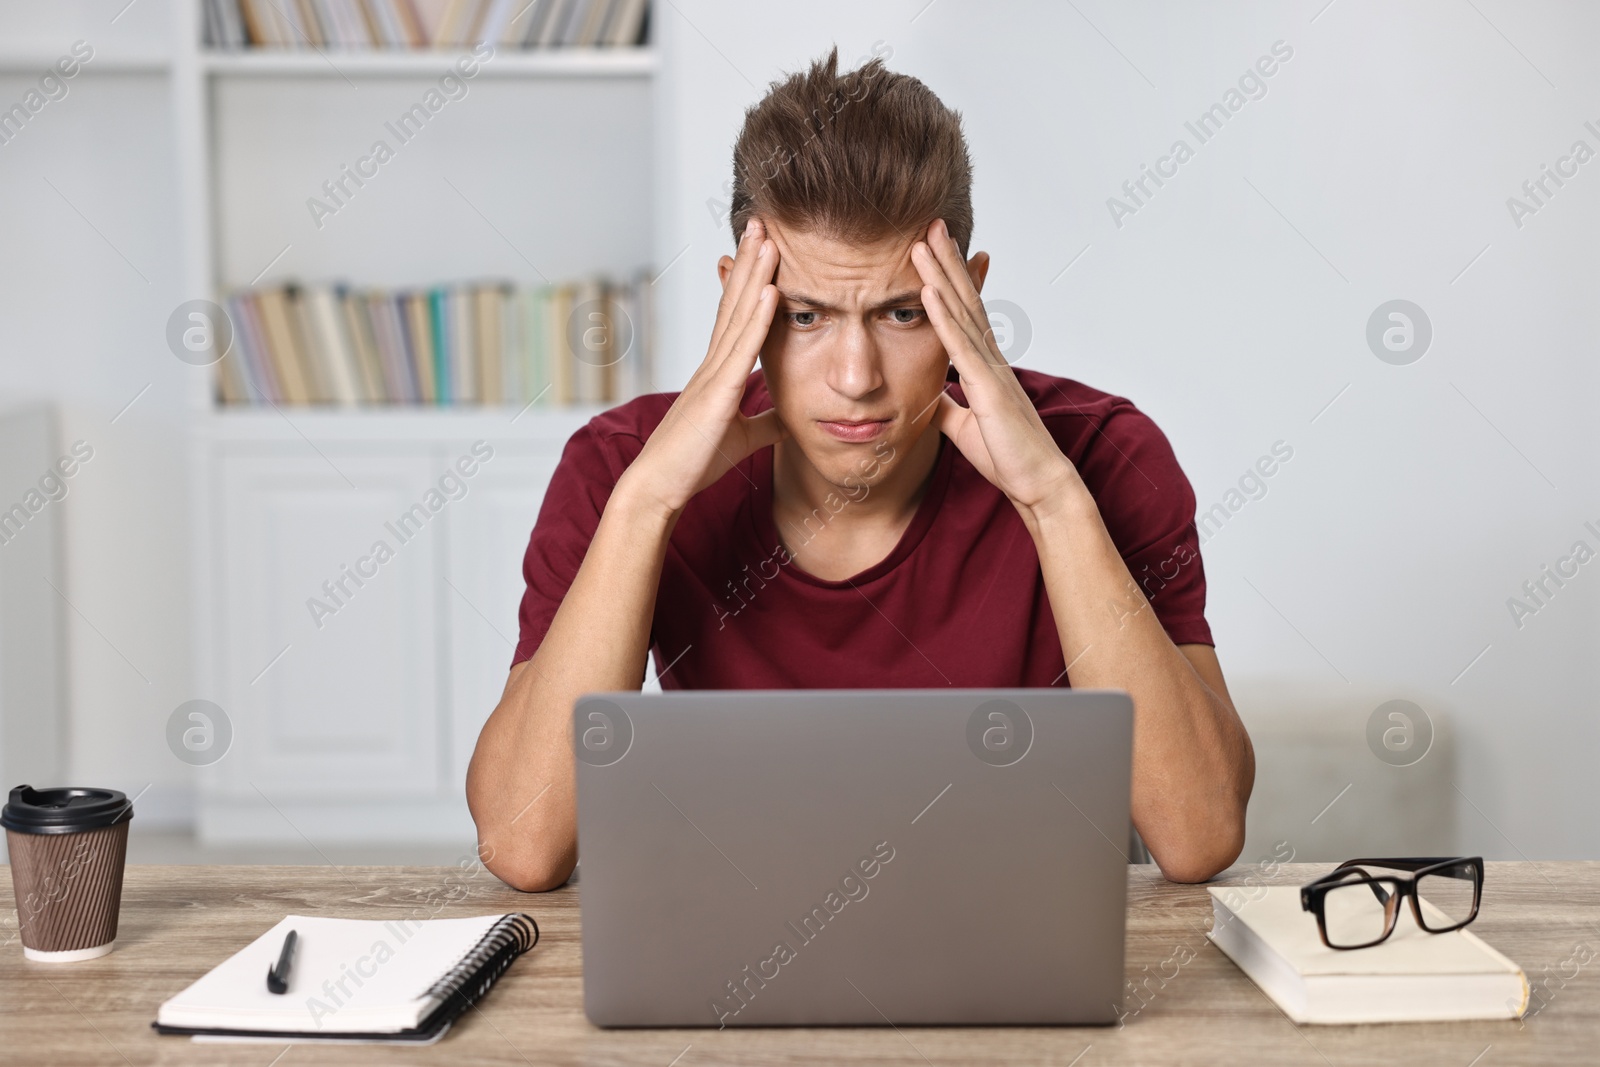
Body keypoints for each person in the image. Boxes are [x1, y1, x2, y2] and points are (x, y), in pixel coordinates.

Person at [467, 47, 1253, 890]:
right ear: (742, 299)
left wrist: (1053, 499)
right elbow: (524, 842)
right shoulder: (624, 469)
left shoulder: (1101, 455)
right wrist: (649, 503)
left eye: (903, 313)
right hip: (742, 943)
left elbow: (1198, 831)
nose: (856, 376)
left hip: (1021, 959)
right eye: (805, 315)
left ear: (967, 299)